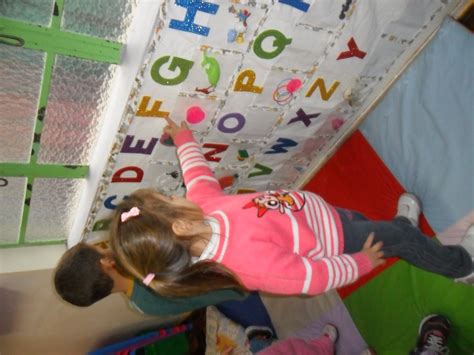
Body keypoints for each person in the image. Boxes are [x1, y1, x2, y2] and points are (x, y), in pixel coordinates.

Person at [108, 117, 474, 298]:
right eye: (171, 200)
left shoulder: (203, 210)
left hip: (323, 217)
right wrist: (359, 263)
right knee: (395, 239)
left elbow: (198, 176)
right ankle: (461, 265)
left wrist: (184, 137)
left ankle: (399, 230)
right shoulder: (246, 265)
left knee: (372, 225)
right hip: (337, 244)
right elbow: (310, 278)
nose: (178, 197)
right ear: (180, 227)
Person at [53, 242, 247, 314]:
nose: (106, 246)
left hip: (235, 288)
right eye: (101, 248)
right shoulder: (148, 265)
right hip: (239, 267)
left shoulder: (139, 307)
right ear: (105, 262)